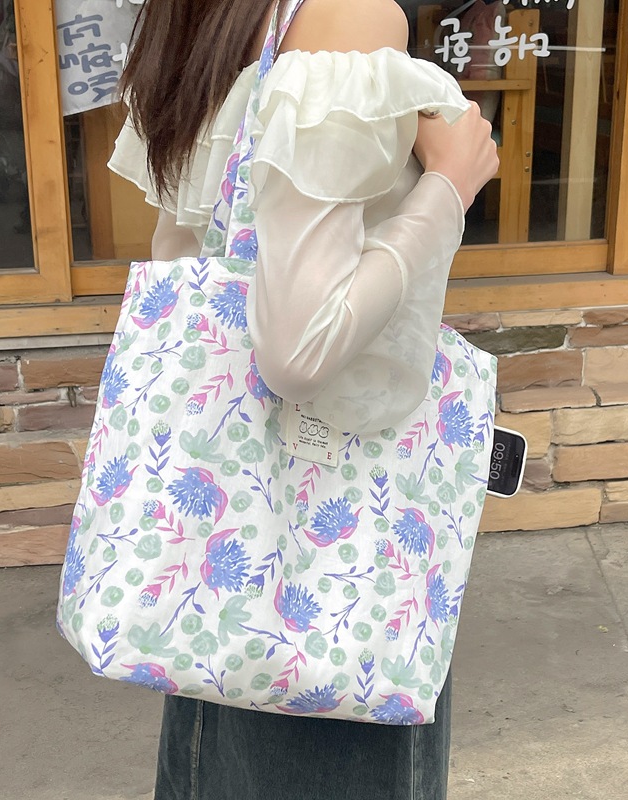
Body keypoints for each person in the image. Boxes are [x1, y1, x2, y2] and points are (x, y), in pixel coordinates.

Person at [107, 0, 498, 797]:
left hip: (218, 551)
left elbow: (190, 257)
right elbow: (299, 348)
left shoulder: (213, 19)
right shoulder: (346, 19)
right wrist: (448, 188)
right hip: (331, 565)